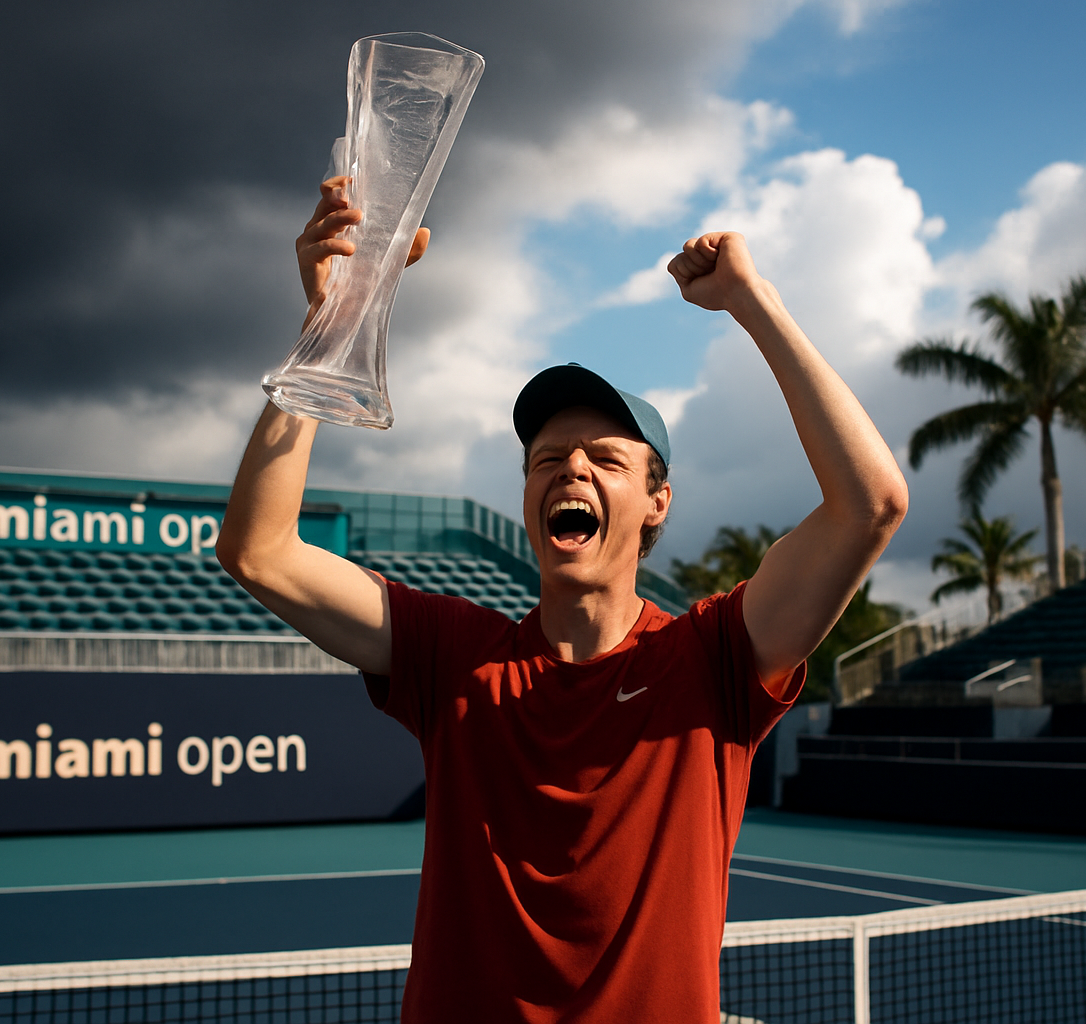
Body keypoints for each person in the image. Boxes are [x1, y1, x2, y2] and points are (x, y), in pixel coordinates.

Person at [216, 177, 909, 1024]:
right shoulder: (455, 657)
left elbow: (871, 503)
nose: (570, 470)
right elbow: (260, 551)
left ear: (658, 501)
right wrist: (333, 326)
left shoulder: (715, 658)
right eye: (548, 459)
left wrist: (751, 302)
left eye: (604, 460)